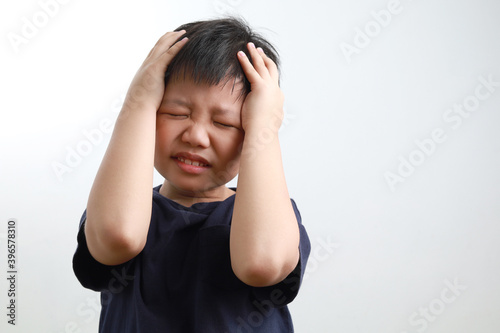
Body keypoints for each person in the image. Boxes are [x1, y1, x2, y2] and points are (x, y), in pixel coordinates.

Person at [73, 17, 310, 332]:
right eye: (176, 113)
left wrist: (265, 125)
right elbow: (118, 235)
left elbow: (261, 262)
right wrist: (138, 100)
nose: (196, 136)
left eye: (224, 123)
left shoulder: (275, 217)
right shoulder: (117, 204)